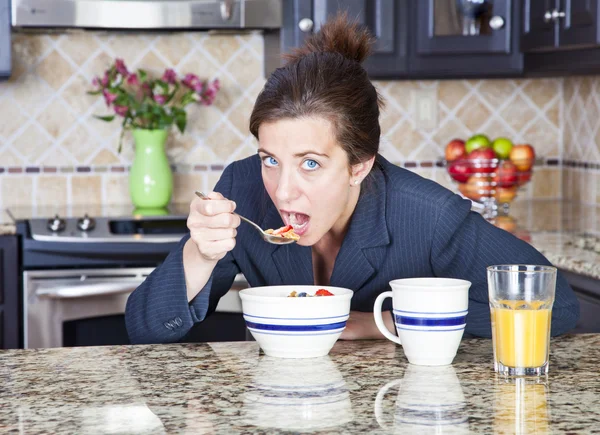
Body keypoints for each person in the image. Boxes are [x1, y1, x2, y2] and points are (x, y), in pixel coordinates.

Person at [125, 14, 579, 345]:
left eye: (310, 164)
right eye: (270, 159)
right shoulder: (243, 189)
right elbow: (143, 327)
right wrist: (198, 255)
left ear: (359, 164)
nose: (282, 190)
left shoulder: (428, 215)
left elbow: (557, 306)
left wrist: (387, 323)